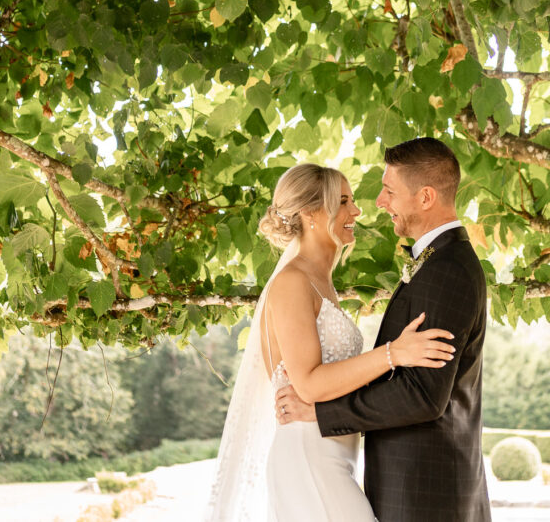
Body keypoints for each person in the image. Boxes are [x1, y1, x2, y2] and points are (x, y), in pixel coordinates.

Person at [205, 163, 456, 521]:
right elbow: (307, 383)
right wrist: (393, 353)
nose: (355, 211)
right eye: (342, 202)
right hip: (309, 460)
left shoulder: (321, 282)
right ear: (309, 212)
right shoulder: (293, 282)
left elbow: (336, 379)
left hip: (333, 457)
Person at [276, 138, 491, 521]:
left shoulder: (448, 269)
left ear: (425, 197)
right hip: (398, 481)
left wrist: (322, 411)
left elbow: (423, 395)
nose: (377, 202)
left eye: (389, 191)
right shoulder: (437, 261)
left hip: (424, 490)